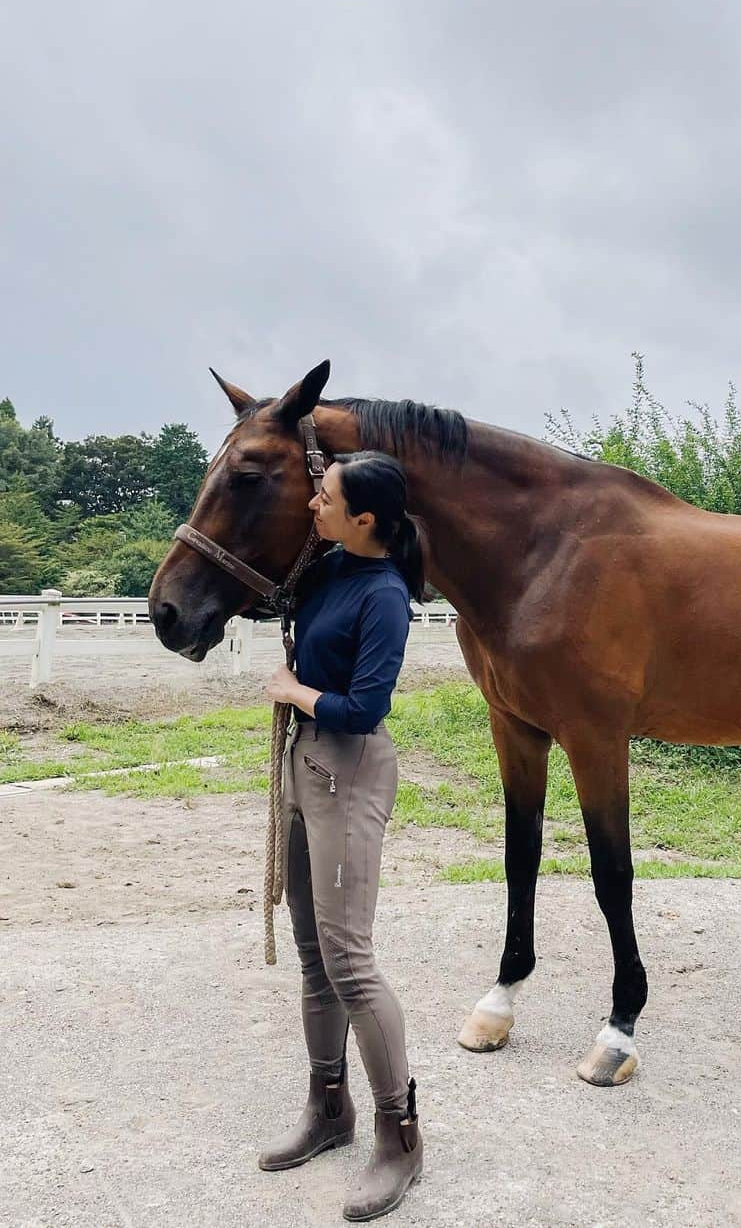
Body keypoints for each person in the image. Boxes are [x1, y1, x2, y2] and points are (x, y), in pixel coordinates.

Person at [260, 449, 423, 1222]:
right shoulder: (326, 569)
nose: (313, 506)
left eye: (324, 498)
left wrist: (293, 689)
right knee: (311, 955)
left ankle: (401, 1136)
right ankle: (331, 1109)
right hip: (304, 766)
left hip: (349, 770)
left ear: (365, 519)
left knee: (350, 960)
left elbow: (364, 706)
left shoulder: (386, 595)